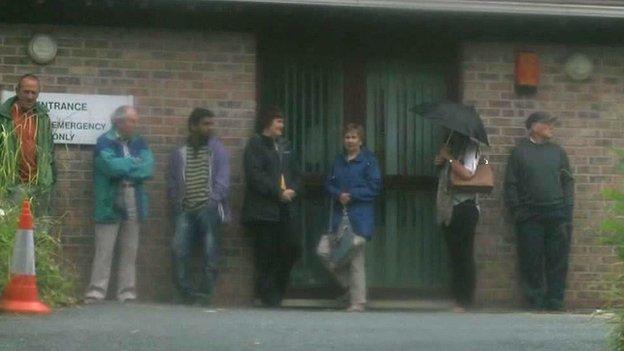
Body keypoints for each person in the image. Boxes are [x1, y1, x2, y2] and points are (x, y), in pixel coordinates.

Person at [504, 111, 574, 311]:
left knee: (558, 260)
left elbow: (567, 181)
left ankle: (555, 300)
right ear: (534, 126)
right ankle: (535, 300)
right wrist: (518, 212)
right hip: (529, 216)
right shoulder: (519, 152)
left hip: (557, 214)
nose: (552, 127)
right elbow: (510, 185)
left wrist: (567, 208)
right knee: (531, 260)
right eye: (547, 123)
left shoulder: (558, 152)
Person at [84, 105, 154, 304]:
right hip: (110, 200)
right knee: (104, 249)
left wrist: (126, 167)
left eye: (135, 121)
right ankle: (97, 291)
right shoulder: (104, 142)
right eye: (130, 120)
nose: (133, 124)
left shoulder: (140, 142)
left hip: (134, 197)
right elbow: (110, 167)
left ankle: (127, 292)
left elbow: (148, 168)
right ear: (118, 122)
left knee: (130, 249)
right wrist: (134, 165)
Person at [167, 108, 230, 304]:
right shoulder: (180, 153)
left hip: (208, 208)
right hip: (185, 210)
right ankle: (186, 293)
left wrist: (213, 200)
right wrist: (176, 202)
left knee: (210, 252)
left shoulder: (217, 149)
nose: (210, 128)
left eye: (212, 123)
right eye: (205, 124)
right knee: (179, 250)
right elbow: (171, 181)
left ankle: (205, 294)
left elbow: (223, 179)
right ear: (193, 126)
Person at [242, 105, 301, 307]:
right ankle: (270, 298)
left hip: (285, 209)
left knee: (293, 248)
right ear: (268, 123)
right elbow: (256, 176)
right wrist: (278, 192)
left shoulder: (285, 145)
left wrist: (293, 189)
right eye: (278, 121)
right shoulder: (255, 145)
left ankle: (277, 289)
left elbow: (295, 172)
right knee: (266, 254)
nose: (282, 126)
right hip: (263, 210)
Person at [325, 123, 382, 312]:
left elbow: (374, 187)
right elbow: (329, 184)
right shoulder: (338, 160)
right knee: (325, 251)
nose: (350, 140)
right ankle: (354, 291)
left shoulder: (369, 161)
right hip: (338, 217)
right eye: (347, 137)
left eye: (354, 137)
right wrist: (338, 194)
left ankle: (358, 302)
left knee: (356, 259)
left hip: (360, 218)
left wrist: (352, 194)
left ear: (361, 140)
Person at [435, 132, 481, 312]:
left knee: (464, 255)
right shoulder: (451, 148)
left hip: (465, 207)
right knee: (454, 255)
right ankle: (457, 296)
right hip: (449, 208)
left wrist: (449, 158)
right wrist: (440, 161)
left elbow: (467, 174)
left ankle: (465, 299)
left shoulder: (471, 149)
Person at [0, 74, 55, 214]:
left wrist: (50, 180)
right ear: (17, 90)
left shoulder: (43, 118)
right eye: (26, 91)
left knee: (41, 231)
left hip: (40, 186)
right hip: (12, 186)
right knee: (12, 230)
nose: (30, 96)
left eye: (34, 92)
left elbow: (50, 152)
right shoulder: (4, 117)